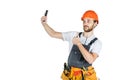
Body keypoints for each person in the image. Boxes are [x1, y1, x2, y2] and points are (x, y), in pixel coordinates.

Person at [41, 10, 102, 80]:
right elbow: (53, 34)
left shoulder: (97, 43)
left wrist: (79, 44)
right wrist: (44, 24)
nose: (85, 23)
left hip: (85, 77)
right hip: (70, 75)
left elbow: (90, 60)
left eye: (88, 21)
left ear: (95, 23)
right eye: (84, 21)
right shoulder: (73, 35)